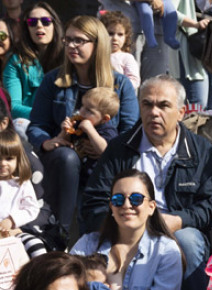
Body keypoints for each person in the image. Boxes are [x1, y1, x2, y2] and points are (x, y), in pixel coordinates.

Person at [81, 75, 212, 290]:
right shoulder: (120, 148)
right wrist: (125, 225)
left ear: (181, 112)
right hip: (125, 227)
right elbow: (93, 202)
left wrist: (180, 220)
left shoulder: (201, 150)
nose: (154, 112)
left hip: (176, 232)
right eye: (147, 104)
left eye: (163, 105)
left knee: (189, 242)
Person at [26, 14, 138, 234]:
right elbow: (36, 125)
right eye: (68, 40)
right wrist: (48, 141)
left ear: (98, 45)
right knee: (67, 157)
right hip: (62, 160)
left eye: (79, 40)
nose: (71, 46)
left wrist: (104, 147)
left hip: (103, 165)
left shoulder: (120, 85)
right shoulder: (53, 81)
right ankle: (60, 232)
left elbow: (130, 132)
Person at [70, 169, 184, 290]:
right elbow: (59, 284)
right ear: (111, 207)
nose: (126, 205)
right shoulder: (88, 243)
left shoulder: (166, 250)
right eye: (118, 199)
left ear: (151, 206)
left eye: (136, 199)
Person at [2, 3, 62, 127]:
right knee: (20, 125)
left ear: (54, 25)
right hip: (31, 122)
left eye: (45, 21)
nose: (39, 25)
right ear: (27, 28)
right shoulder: (16, 61)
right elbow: (13, 106)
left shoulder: (68, 57)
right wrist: (46, 115)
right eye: (32, 22)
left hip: (64, 122)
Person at [0, 127, 44, 257]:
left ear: (17, 159)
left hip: (14, 232)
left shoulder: (21, 183)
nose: (3, 163)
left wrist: (11, 220)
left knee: (36, 245)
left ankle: (41, 275)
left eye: (9, 159)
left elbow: (31, 208)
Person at [64, 87, 119, 188]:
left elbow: (105, 150)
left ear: (104, 118)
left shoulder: (107, 131)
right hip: (77, 175)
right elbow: (66, 141)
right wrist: (65, 130)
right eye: (82, 106)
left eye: (89, 110)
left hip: (97, 180)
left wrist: (90, 130)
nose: (82, 111)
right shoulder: (79, 123)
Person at [99, 11, 140, 89]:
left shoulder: (126, 57)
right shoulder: (96, 55)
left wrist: (118, 86)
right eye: (110, 33)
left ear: (126, 37)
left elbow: (134, 80)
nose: (115, 38)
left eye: (120, 34)